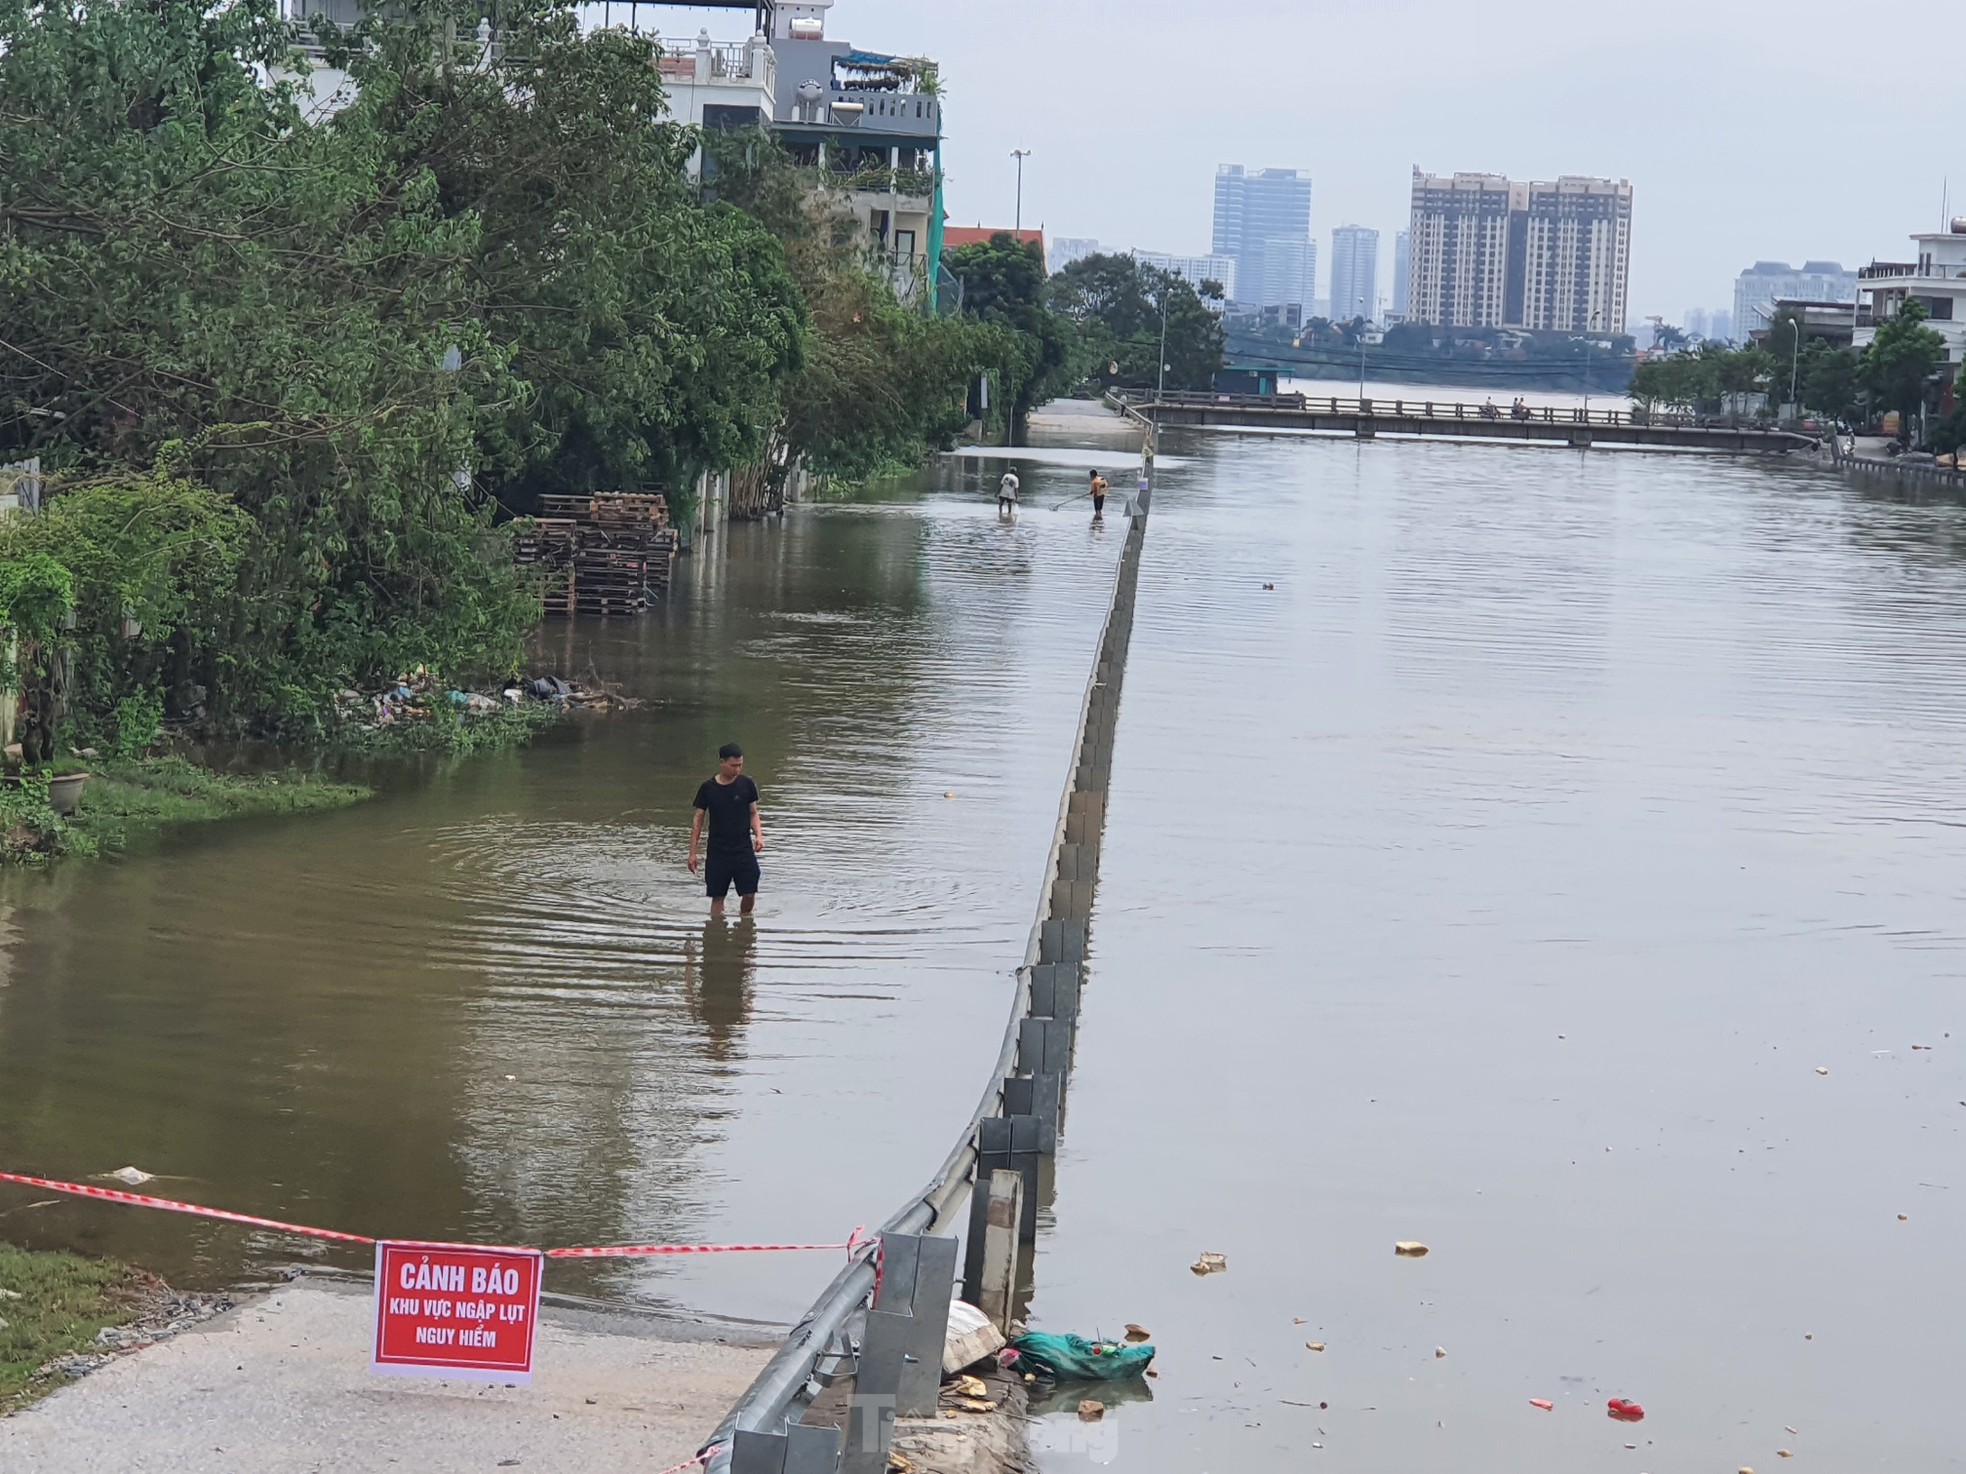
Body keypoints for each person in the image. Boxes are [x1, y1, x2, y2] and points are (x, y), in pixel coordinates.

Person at [688, 743, 764, 917]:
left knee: (750, 891)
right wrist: (693, 853)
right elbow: (698, 820)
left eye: (740, 765)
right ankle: (716, 931)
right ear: (722, 762)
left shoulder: (747, 784)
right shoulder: (708, 788)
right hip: (718, 850)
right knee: (717, 896)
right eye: (733, 765)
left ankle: (745, 922)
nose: (737, 769)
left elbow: (753, 812)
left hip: (743, 848)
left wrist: (759, 836)